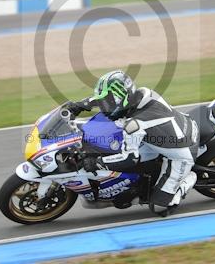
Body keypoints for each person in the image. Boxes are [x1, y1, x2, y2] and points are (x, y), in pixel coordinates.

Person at [66, 70, 199, 215]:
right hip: (172, 132)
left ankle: (188, 179)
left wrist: (97, 162)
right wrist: (80, 105)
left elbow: (129, 158)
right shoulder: (142, 93)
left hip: (183, 153)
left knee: (159, 208)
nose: (104, 107)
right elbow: (108, 98)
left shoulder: (135, 124)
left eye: (107, 103)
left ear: (121, 99)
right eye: (104, 102)